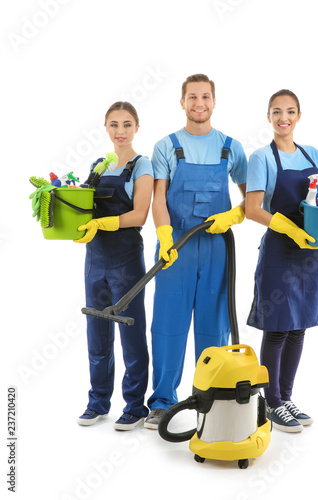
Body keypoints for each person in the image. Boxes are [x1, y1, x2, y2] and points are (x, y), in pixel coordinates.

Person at [144, 74, 248, 429]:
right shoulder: (167, 146)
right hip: (176, 249)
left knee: (213, 327)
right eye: (192, 97)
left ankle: (213, 398)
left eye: (205, 96)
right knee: (168, 326)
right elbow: (159, 198)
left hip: (217, 248)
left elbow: (253, 198)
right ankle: (161, 402)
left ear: (214, 102)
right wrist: (164, 234)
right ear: (182, 102)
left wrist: (235, 214)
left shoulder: (230, 147)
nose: (199, 103)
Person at [245, 89, 318, 433]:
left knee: (299, 325)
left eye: (289, 111)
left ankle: (285, 398)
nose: (283, 117)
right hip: (280, 250)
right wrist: (288, 227)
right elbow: (252, 208)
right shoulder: (262, 158)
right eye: (276, 112)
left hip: (311, 252)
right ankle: (270, 402)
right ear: (268, 117)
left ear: (298, 116)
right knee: (278, 328)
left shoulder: (312, 153)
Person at [75, 101, 154, 431]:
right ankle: (98, 402)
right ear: (106, 128)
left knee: (130, 332)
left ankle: (135, 406)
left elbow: (140, 215)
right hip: (95, 260)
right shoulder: (99, 164)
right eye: (113, 125)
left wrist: (103, 224)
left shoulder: (142, 165)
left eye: (126, 124)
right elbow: (82, 207)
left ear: (137, 127)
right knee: (97, 333)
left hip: (125, 259)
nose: (120, 131)